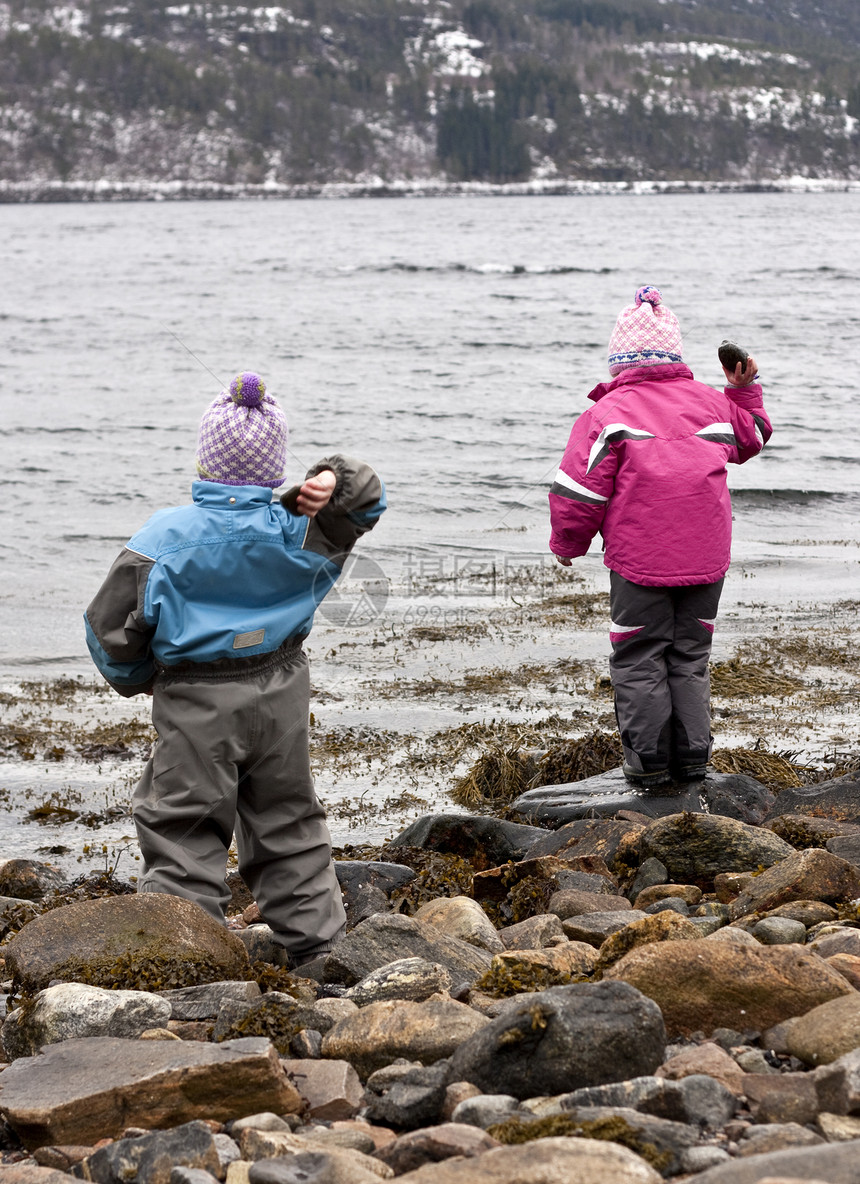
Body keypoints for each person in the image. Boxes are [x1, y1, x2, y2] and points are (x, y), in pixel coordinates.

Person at [84, 371, 386, 967]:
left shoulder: (162, 539)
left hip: (195, 700)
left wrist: (140, 678)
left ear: (204, 463)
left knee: (183, 825)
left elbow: (110, 630)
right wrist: (332, 475)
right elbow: (366, 500)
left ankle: (187, 954)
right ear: (277, 471)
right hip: (281, 691)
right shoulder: (306, 530)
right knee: (287, 817)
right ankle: (322, 950)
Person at [548, 286, 771, 789]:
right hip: (705, 558)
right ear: (675, 355)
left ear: (618, 361)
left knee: (639, 653)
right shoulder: (711, 404)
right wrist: (742, 391)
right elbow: (754, 435)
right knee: (690, 654)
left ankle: (648, 762)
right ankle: (692, 759)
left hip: (640, 562)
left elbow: (578, 490)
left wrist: (568, 542)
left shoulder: (606, 415)